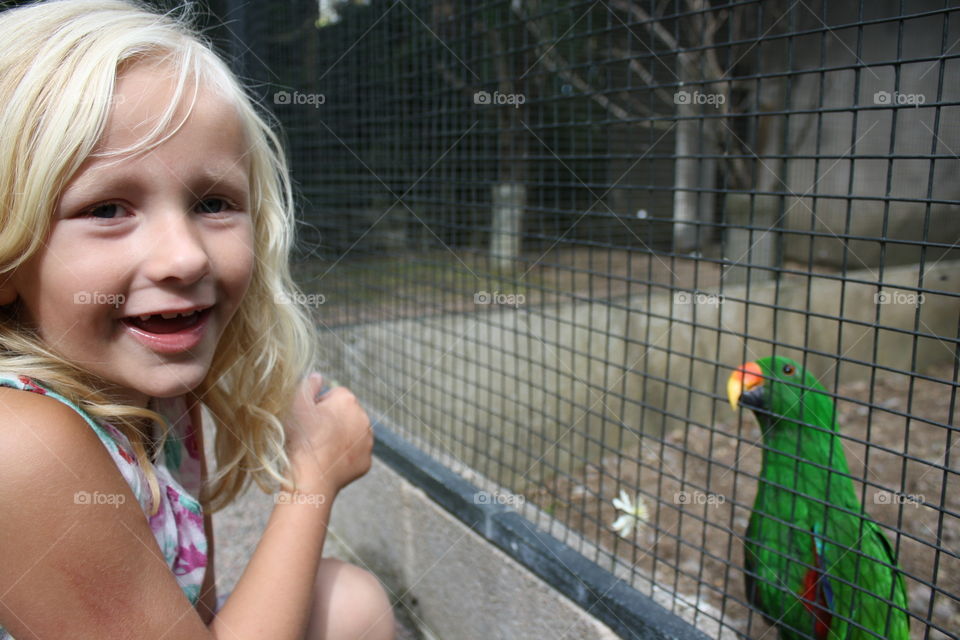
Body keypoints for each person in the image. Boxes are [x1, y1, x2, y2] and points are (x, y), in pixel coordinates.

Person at [0, 0, 396, 638]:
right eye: (107, 209)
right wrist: (312, 478)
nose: (184, 257)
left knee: (347, 600)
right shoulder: (19, 445)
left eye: (213, 202)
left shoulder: (164, 395)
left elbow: (195, 615)